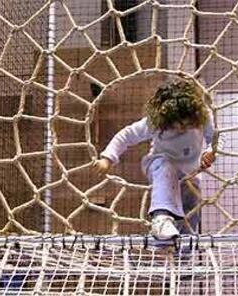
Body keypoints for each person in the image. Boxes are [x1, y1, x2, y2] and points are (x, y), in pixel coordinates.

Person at [94, 78, 222, 239]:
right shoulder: (155, 122)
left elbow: (216, 138)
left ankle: (183, 255)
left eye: (186, 124)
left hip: (190, 175)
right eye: (176, 125)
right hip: (158, 164)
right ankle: (160, 218)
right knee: (167, 167)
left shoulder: (204, 117)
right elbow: (126, 135)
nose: (181, 128)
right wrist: (108, 158)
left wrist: (211, 152)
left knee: (190, 214)